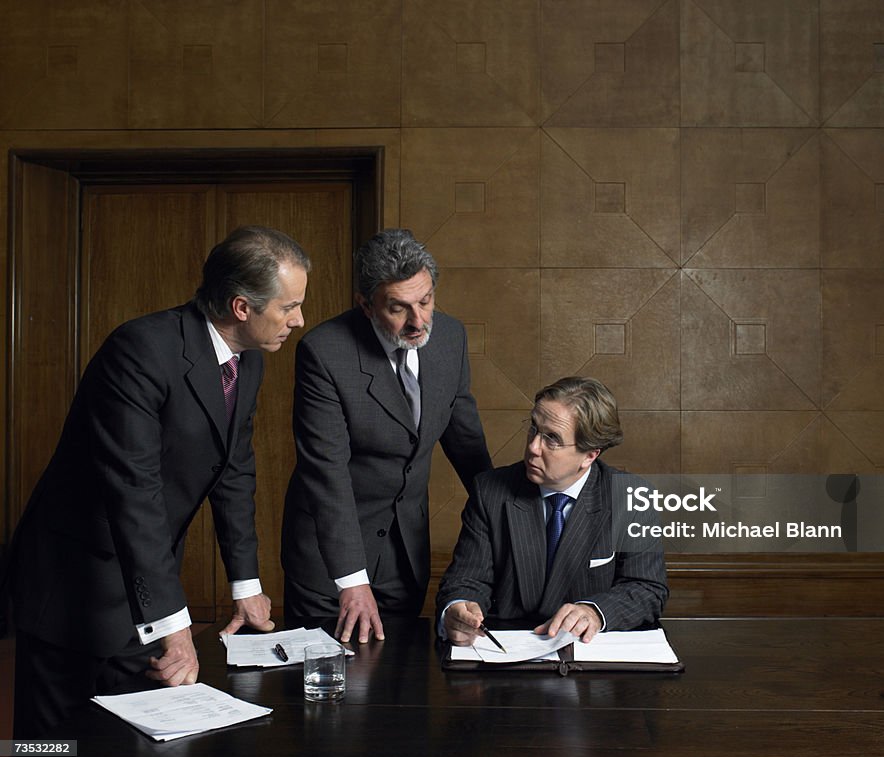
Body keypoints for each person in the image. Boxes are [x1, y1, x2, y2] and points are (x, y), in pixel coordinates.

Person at [8, 225, 310, 737]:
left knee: (126, 743)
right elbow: (134, 492)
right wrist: (175, 625)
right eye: (289, 307)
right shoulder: (140, 349)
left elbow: (234, 470)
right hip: (71, 584)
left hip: (142, 587)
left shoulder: (249, 362)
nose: (299, 320)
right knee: (47, 748)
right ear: (242, 307)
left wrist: (247, 585)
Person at [282, 228, 492, 643]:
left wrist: (506, 514)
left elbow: (464, 437)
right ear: (366, 305)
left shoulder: (449, 337)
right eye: (399, 308)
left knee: (399, 683)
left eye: (426, 302)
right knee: (328, 687)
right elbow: (327, 473)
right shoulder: (324, 352)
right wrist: (351, 580)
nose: (418, 321)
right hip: (331, 554)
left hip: (404, 549)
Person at [436, 376, 667, 646]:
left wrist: (594, 611)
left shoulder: (631, 497)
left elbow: (647, 588)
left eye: (552, 439)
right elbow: (467, 579)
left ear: (590, 455)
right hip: (504, 653)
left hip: (589, 658)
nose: (533, 448)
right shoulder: (490, 491)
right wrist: (458, 608)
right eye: (534, 429)